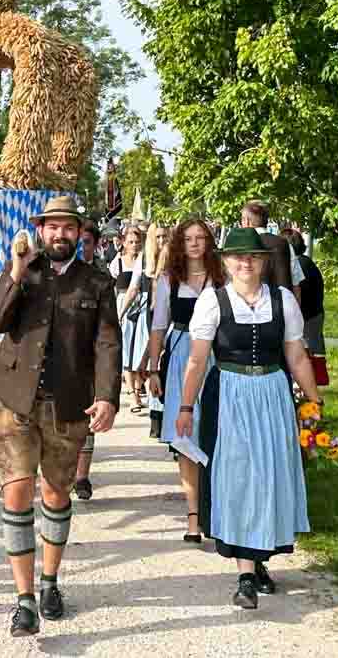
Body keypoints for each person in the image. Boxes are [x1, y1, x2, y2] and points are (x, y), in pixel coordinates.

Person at [0, 195, 121, 637]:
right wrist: (15, 272)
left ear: (80, 232)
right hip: (14, 401)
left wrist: (107, 397)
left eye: (68, 227)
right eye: (52, 227)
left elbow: (107, 344)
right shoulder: (24, 271)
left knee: (56, 494)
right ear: (40, 230)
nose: (59, 234)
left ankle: (49, 582)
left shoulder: (96, 283)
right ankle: (24, 600)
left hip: (67, 404)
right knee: (16, 492)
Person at [179, 227, 320, 609]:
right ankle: (245, 574)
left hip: (272, 393)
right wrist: (186, 408)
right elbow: (196, 360)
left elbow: (296, 356)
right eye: (239, 257)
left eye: (254, 257)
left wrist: (313, 402)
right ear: (225, 261)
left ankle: (258, 560)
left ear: (263, 262)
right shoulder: (213, 301)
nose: (246, 263)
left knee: (270, 473)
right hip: (230, 394)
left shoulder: (283, 300)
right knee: (239, 475)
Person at [146, 219, 224, 542]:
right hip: (180, 358)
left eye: (200, 238)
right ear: (180, 243)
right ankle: (193, 516)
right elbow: (158, 327)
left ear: (209, 241)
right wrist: (152, 369)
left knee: (217, 435)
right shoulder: (168, 280)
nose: (194, 244)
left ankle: (216, 511)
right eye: (188, 238)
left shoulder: (222, 279)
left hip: (216, 356)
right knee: (187, 440)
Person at [73, 218, 109, 500]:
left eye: (86, 242)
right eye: (78, 240)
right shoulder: (57, 269)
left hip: (90, 355)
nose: (80, 247)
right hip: (62, 355)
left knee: (87, 419)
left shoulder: (101, 273)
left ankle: (82, 477)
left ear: (96, 245)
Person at [282, 229, 328, 385]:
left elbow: (298, 292)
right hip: (315, 313)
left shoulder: (299, 265)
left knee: (307, 351)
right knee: (314, 349)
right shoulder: (307, 262)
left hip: (307, 316)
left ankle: (310, 383)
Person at [109, 225, 146, 411]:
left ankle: (139, 389)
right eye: (130, 241)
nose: (134, 245)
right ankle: (132, 394)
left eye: (137, 241)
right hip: (123, 304)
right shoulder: (117, 263)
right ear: (123, 242)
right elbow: (114, 289)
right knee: (126, 350)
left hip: (143, 305)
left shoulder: (145, 261)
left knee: (140, 349)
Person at [240, 201, 303, 302]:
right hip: (281, 307)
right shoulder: (284, 244)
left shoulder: (239, 245)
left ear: (246, 221)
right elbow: (296, 284)